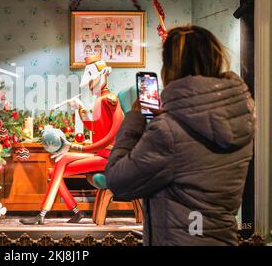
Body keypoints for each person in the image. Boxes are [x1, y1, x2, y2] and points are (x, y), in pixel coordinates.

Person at [105, 26, 255, 246]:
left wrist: (134, 119)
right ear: (215, 59)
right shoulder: (239, 119)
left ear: (170, 67)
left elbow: (118, 181)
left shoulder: (167, 131)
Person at [20, 55, 124, 225]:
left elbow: (111, 137)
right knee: (56, 169)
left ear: (104, 74)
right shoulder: (99, 100)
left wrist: (76, 147)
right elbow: (94, 127)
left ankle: (42, 214)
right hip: (101, 155)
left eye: (92, 80)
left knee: (58, 168)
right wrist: (80, 108)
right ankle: (74, 212)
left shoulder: (110, 100)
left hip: (110, 158)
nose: (90, 85)